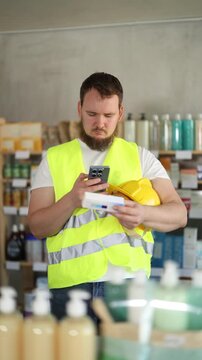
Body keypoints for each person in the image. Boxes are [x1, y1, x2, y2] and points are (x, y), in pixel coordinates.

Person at [28, 72, 187, 321]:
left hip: (127, 287)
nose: (99, 123)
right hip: (71, 289)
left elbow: (179, 214)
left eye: (108, 115)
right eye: (92, 114)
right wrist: (72, 199)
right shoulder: (54, 158)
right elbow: (37, 227)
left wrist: (143, 214)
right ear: (79, 109)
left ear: (121, 113)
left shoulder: (140, 157)